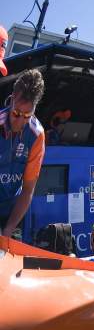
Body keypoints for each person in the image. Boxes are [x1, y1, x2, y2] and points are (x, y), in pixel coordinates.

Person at [0, 69, 46, 239]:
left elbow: (27, 190)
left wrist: (7, 230)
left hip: (13, 210)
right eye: (16, 113)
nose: (19, 121)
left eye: (27, 116)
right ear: (11, 100)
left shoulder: (37, 135)